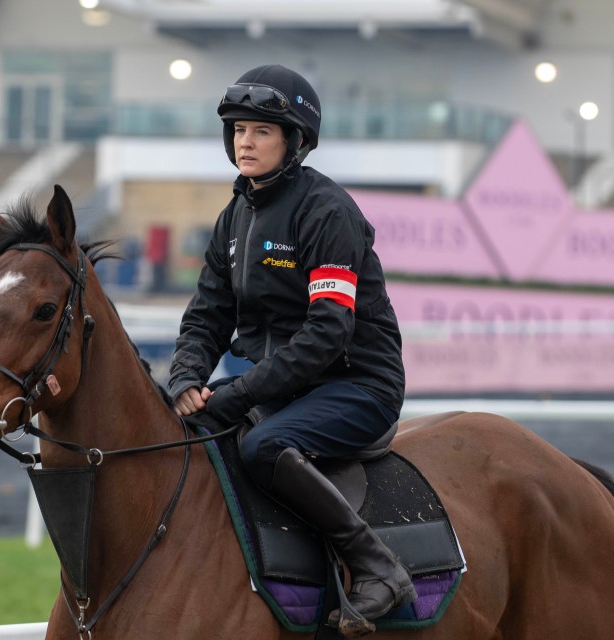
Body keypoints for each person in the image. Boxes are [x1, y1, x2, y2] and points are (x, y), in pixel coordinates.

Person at [167, 64, 415, 634]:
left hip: (358, 386)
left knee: (263, 447)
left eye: (261, 131)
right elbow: (206, 316)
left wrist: (238, 394)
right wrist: (185, 379)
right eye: (238, 131)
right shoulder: (233, 218)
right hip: (286, 387)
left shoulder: (328, 211)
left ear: (294, 141)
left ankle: (380, 569)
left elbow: (329, 334)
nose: (245, 142)